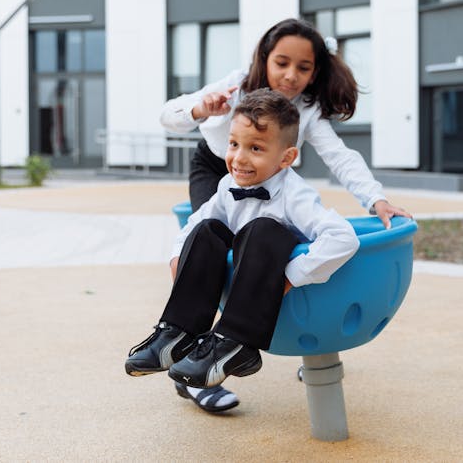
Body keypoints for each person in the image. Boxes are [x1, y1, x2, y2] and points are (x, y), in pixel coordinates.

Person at [159, 17, 411, 411]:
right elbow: (168, 115)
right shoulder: (237, 85)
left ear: (315, 72)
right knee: (210, 248)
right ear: (264, 58)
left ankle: (300, 342)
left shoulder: (307, 108)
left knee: (274, 243)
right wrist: (198, 108)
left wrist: (375, 200)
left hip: (271, 172)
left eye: (303, 67)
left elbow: (340, 157)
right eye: (281, 63)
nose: (291, 75)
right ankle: (191, 366)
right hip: (219, 169)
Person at [126, 89, 360, 401]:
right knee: (208, 229)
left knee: (263, 229)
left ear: (286, 158)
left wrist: (291, 275)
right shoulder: (228, 185)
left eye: (256, 148)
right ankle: (179, 332)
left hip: (275, 302)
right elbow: (195, 223)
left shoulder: (295, 193)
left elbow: (344, 237)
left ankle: (237, 344)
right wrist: (178, 257)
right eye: (234, 144)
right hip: (238, 286)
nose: (239, 158)